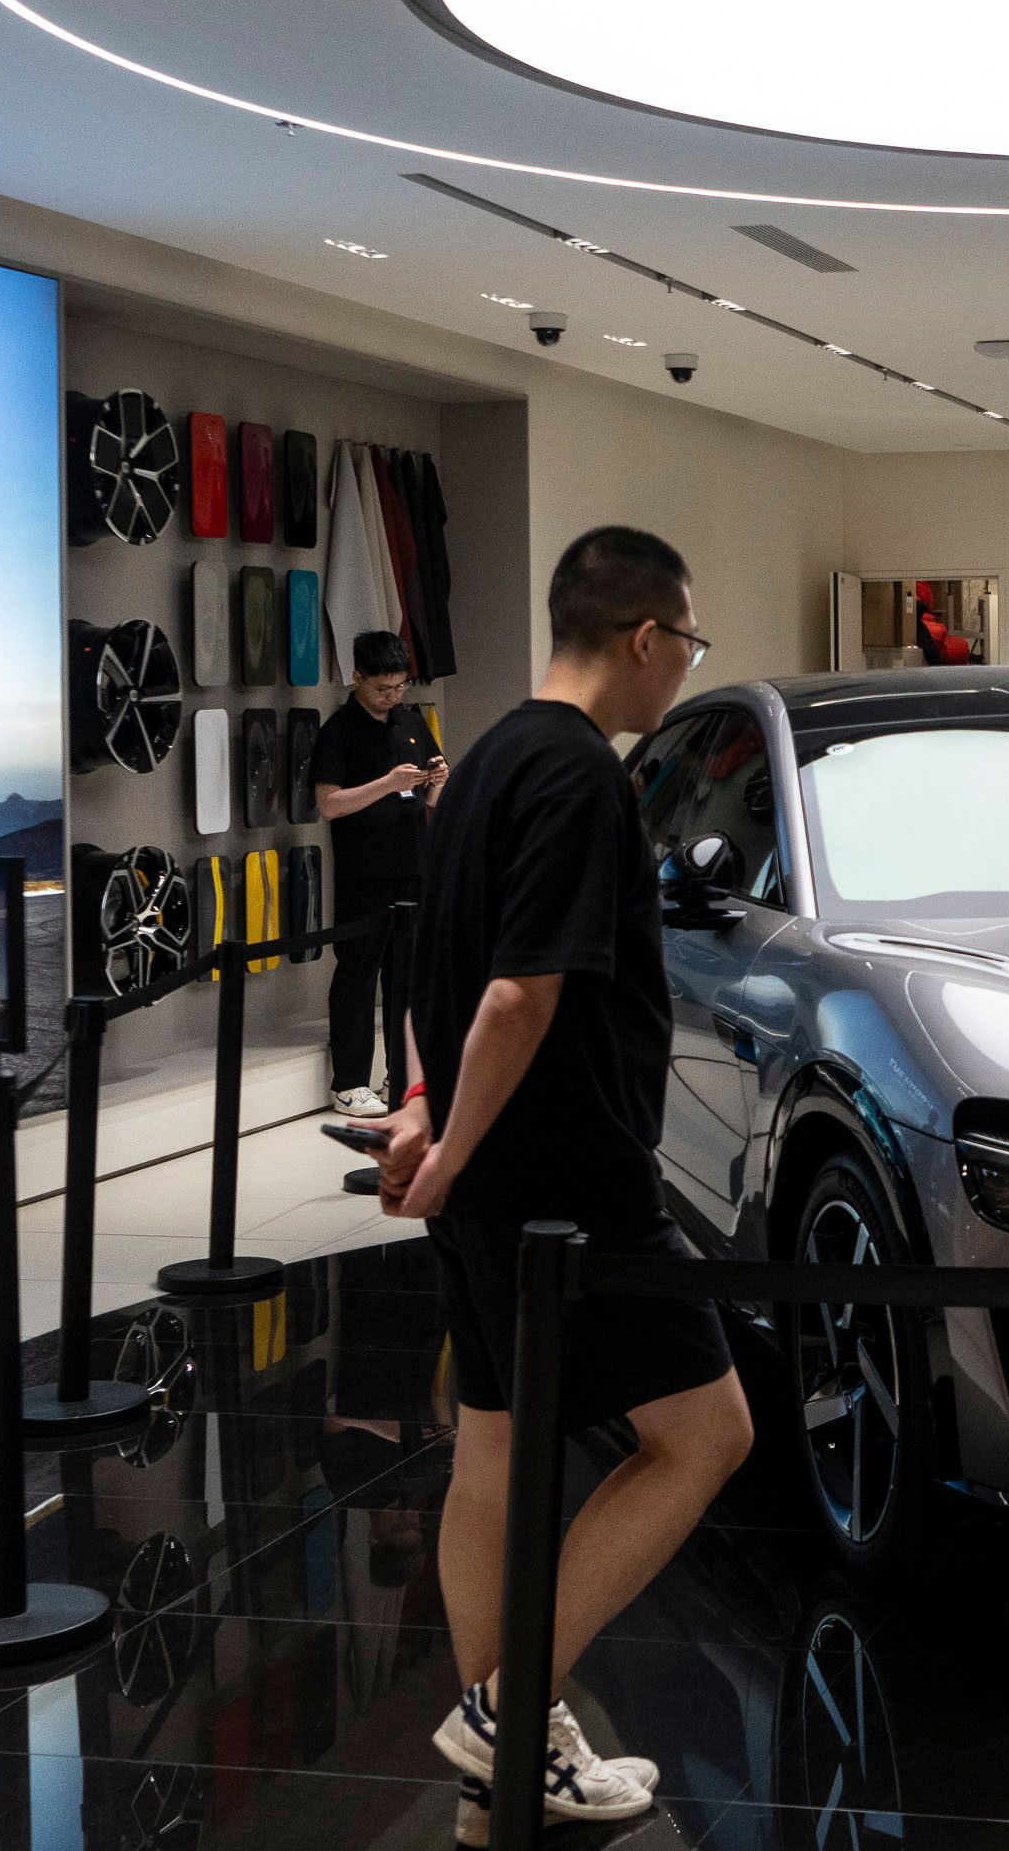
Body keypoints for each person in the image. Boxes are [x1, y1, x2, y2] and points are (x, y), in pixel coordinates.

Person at [370, 527, 751, 1836]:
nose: (684, 667)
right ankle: (509, 1706)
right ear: (646, 636)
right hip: (573, 1183)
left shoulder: (479, 761)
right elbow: (520, 992)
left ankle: (511, 1740)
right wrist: (452, 1142)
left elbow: (441, 972)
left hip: (496, 1185)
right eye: (686, 643)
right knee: (706, 1436)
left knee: (491, 1445)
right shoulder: (582, 774)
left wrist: (428, 1117)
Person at [311, 630, 446, 1116]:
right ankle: (349, 1082)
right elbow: (329, 804)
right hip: (363, 873)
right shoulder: (339, 730)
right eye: (383, 688)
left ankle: (401, 1075)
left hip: (413, 865)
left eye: (400, 686)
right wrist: (388, 783)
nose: (392, 695)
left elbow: (430, 799)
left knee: (407, 978)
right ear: (357, 678)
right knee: (357, 975)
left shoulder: (410, 720)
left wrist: (437, 781)